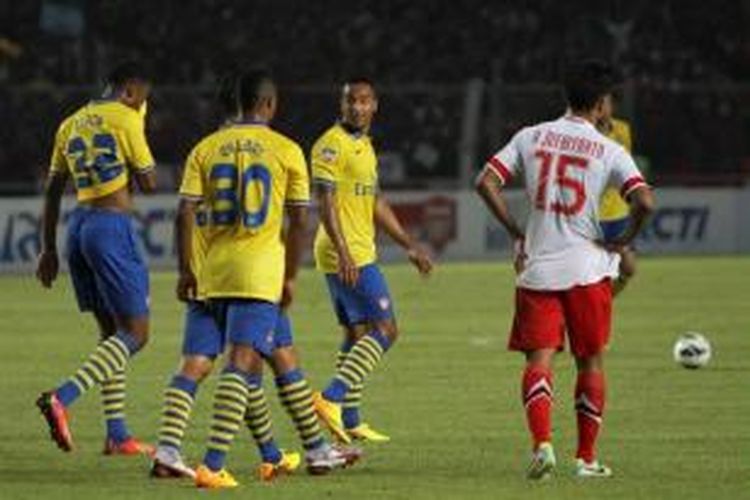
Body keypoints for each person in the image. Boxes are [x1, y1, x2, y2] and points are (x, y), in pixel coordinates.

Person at [175, 68, 359, 489]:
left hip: (215, 271)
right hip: (260, 273)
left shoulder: (205, 147)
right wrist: (291, 276)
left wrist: (187, 269)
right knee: (242, 363)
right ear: (270, 105)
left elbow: (184, 212)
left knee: (284, 355)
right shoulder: (287, 149)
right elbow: (299, 221)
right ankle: (213, 464)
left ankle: (315, 450)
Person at [475, 60, 654, 480]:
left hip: (538, 265)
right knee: (590, 364)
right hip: (588, 268)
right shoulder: (610, 150)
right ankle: (586, 459)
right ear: (601, 104)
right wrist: (624, 240)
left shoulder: (531, 135)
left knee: (539, 360)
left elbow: (485, 181)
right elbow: (644, 202)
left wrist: (516, 230)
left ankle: (542, 446)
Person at [35, 61, 157, 457]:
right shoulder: (125, 118)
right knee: (137, 334)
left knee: (112, 333)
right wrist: (139, 125)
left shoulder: (69, 123)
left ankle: (117, 434)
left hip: (78, 227)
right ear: (129, 92)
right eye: (143, 98)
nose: (143, 105)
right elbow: (149, 181)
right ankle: (61, 397)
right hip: (111, 227)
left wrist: (48, 248)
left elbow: (53, 189)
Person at [310, 77, 433, 444]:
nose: (358, 108)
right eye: (351, 101)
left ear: (375, 105)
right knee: (386, 330)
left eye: (364, 101)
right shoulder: (330, 145)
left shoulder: (364, 145)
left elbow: (376, 202)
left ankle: (349, 418)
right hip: (346, 252)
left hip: (355, 249)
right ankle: (330, 398)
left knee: (356, 333)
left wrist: (409, 244)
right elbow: (325, 202)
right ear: (341, 104)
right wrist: (345, 251)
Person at [597, 96, 637, 295]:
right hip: (593, 214)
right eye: (603, 103)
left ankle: (606, 301)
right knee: (593, 272)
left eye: (610, 103)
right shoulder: (585, 133)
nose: (607, 107)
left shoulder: (622, 129)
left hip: (619, 211)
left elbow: (624, 164)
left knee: (628, 267)